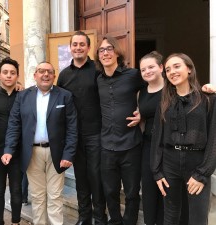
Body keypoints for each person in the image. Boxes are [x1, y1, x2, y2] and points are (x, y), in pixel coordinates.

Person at [1, 62, 78, 225]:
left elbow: (72, 128)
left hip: (56, 154)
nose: (45, 74)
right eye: (41, 71)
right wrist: (8, 149)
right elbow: (14, 124)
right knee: (37, 196)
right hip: (32, 153)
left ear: (54, 76)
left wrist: (68, 154)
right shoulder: (23, 96)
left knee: (55, 196)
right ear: (35, 75)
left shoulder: (65, 96)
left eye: (49, 72)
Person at [151, 53, 216, 225]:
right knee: (171, 216)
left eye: (177, 66)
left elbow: (214, 140)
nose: (172, 71)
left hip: (197, 163)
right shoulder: (165, 102)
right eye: (168, 69)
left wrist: (202, 173)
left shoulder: (208, 99)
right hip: (170, 163)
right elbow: (157, 138)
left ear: (189, 69)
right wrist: (157, 172)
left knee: (198, 217)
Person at [57, 30, 107, 225]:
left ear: (88, 47)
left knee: (96, 178)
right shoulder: (63, 75)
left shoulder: (98, 69)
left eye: (82, 44)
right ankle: (84, 218)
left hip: (96, 134)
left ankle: (100, 218)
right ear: (70, 48)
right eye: (74, 44)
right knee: (81, 180)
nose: (78, 47)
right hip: (73, 137)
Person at [94, 36, 143, 225]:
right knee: (110, 191)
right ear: (98, 55)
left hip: (131, 144)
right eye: (101, 50)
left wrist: (143, 113)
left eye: (109, 48)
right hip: (107, 146)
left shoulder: (133, 75)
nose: (105, 52)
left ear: (117, 52)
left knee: (131, 192)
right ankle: (115, 221)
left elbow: (156, 89)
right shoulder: (98, 80)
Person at [0, 57, 22, 225]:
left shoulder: (23, 96)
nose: (9, 76)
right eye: (5, 72)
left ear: (17, 76)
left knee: (16, 190)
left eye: (13, 73)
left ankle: (16, 222)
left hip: (17, 151)